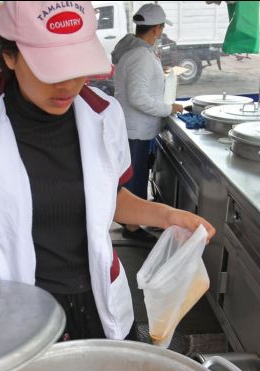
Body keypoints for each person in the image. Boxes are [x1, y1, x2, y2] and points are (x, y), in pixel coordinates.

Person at [0, 1, 215, 342]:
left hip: (96, 299)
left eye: (78, 66)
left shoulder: (105, 114)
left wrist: (168, 216)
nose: (68, 84)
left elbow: (109, 199)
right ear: (9, 57)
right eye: (51, 69)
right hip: (9, 305)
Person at [112, 4, 183, 242]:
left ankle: (132, 223)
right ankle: (131, 228)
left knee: (136, 175)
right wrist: (168, 108)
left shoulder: (139, 51)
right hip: (135, 130)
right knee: (134, 179)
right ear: (156, 29)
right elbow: (138, 97)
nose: (161, 32)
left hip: (135, 127)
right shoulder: (140, 56)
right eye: (161, 28)